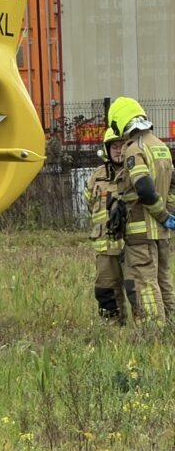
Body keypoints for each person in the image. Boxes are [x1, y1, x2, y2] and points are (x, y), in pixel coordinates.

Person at [107, 97, 175, 324]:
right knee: (163, 279)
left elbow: (143, 187)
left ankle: (154, 331)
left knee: (146, 282)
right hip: (162, 233)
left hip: (141, 233)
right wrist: (168, 214)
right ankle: (171, 324)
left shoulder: (134, 149)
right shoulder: (161, 146)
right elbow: (173, 185)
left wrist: (163, 215)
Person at [82, 128, 139, 323]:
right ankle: (113, 331)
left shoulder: (136, 171)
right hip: (105, 247)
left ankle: (145, 332)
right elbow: (90, 203)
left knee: (137, 290)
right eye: (114, 146)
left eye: (122, 145)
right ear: (107, 149)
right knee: (105, 291)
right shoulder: (96, 176)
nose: (118, 150)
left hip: (132, 244)